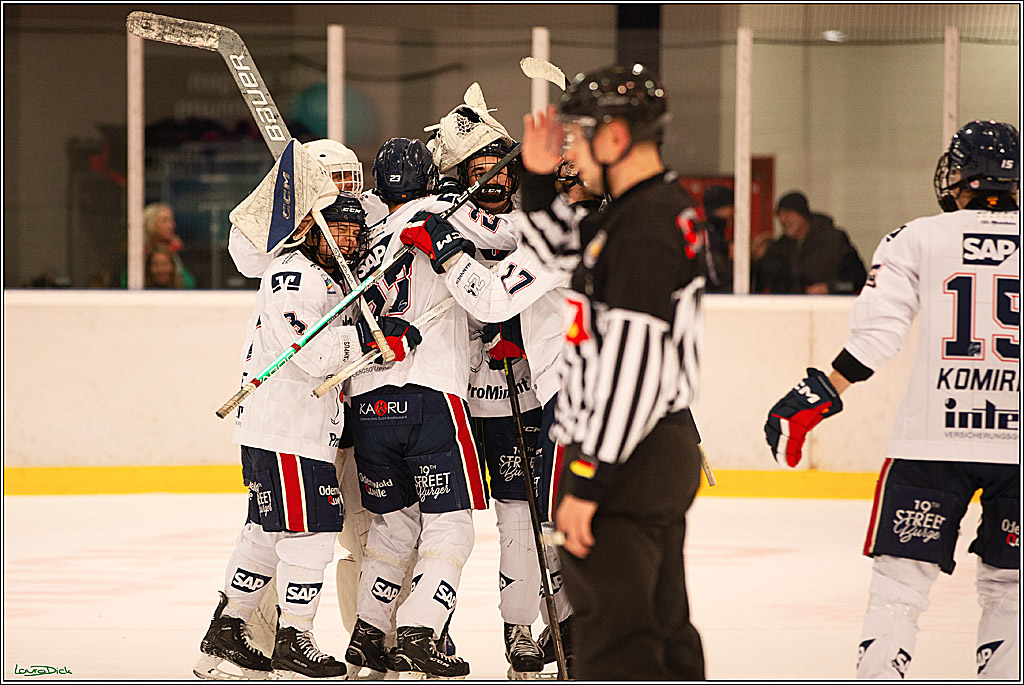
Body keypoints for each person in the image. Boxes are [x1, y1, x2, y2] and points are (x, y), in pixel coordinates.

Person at [764, 120, 1019, 679]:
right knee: (1010, 592)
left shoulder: (918, 237)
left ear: (962, 177)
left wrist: (818, 393)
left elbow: (877, 339)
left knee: (899, 587)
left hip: (934, 441)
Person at [514, 64, 708, 680]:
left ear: (617, 138)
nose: (570, 148)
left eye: (581, 133)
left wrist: (588, 476)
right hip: (653, 450)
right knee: (659, 624)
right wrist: (538, 182)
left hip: (623, 457)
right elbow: (560, 249)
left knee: (616, 638)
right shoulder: (652, 209)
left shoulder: (645, 226)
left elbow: (632, 364)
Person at [194, 191, 421, 680]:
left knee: (267, 527)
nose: (348, 239)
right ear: (311, 231)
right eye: (336, 229)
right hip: (287, 428)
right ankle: (294, 638)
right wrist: (370, 339)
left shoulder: (329, 278)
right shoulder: (294, 274)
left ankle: (229, 626)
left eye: (352, 231)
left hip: (292, 427)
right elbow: (316, 357)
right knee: (315, 528)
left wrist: (379, 334)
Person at [342, 136, 519, 679]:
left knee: (394, 529)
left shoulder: (365, 237)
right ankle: (420, 629)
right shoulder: (444, 215)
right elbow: (509, 237)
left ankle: (370, 631)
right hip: (431, 395)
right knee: (451, 526)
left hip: (369, 402)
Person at [752, 191, 866, 294]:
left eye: (787, 213)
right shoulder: (780, 247)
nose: (782, 219)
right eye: (779, 215)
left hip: (830, 311)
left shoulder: (835, 240)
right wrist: (757, 259)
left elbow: (857, 280)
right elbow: (766, 281)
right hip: (794, 312)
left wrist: (829, 288)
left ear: (803, 215)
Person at [143, 202, 196, 288]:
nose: (171, 226)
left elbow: (189, 283)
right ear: (151, 224)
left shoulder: (177, 250)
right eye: (165, 221)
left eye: (171, 220)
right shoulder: (138, 253)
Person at [701, 184, 734, 293]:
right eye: (730, 206)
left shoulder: (716, 234)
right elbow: (716, 279)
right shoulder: (709, 237)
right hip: (715, 300)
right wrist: (732, 260)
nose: (734, 211)